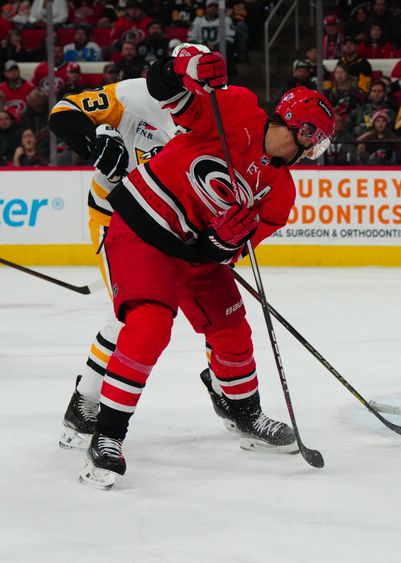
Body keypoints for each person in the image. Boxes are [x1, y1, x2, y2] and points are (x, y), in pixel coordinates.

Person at [73, 44, 334, 489]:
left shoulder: (282, 194)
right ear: (290, 119)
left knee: (232, 326)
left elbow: (228, 252)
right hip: (142, 229)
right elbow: (164, 92)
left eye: (319, 143)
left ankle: (245, 414)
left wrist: (221, 242)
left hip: (194, 253)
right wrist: (182, 67)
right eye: (311, 136)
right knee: (150, 324)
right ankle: (107, 436)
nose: (312, 150)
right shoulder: (234, 109)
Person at [49, 43, 236, 452]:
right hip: (119, 219)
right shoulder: (136, 95)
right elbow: (63, 111)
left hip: (177, 228)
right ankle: (85, 401)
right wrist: (94, 144)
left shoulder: (221, 112)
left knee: (217, 313)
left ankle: (229, 390)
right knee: (135, 315)